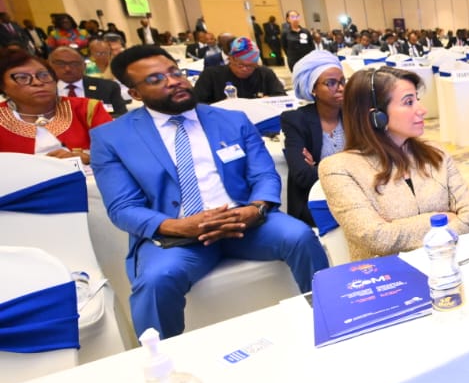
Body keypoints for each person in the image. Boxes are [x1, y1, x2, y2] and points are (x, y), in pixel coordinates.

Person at [90, 45, 329, 338]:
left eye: (175, 72)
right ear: (135, 93)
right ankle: (163, 358)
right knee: (155, 280)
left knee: (301, 236)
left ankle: (330, 319)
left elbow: (264, 174)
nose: (173, 81)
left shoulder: (231, 120)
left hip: (246, 223)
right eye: (156, 79)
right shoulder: (112, 138)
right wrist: (179, 226)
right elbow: (123, 207)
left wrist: (256, 208)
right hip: (177, 236)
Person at [318, 67, 469, 261]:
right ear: (376, 116)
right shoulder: (338, 169)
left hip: (449, 264)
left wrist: (397, 228)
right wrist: (443, 219)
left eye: (417, 100)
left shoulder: (436, 154)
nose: (422, 110)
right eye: (408, 102)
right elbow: (377, 238)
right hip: (387, 275)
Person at [0, 46, 111, 163]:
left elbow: (117, 151)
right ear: (3, 86)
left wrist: (87, 158)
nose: (37, 82)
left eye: (43, 75)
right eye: (22, 78)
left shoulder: (86, 108)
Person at [281, 50, 346, 226]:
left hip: (356, 196)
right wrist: (352, 167)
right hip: (315, 200)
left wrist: (319, 167)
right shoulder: (296, 120)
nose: (340, 88)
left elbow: (372, 162)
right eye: (330, 83)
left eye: (342, 81)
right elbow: (302, 175)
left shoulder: (353, 114)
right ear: (313, 89)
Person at [191, 37, 286, 104]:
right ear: (230, 59)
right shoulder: (211, 75)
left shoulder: (265, 73)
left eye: (250, 66)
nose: (245, 69)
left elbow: (281, 97)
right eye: (240, 65)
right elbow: (198, 103)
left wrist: (268, 100)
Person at [48, 45, 129, 117]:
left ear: (84, 66)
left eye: (74, 64)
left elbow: (122, 117)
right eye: (60, 63)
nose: (67, 69)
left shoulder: (108, 87)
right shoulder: (44, 91)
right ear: (49, 65)